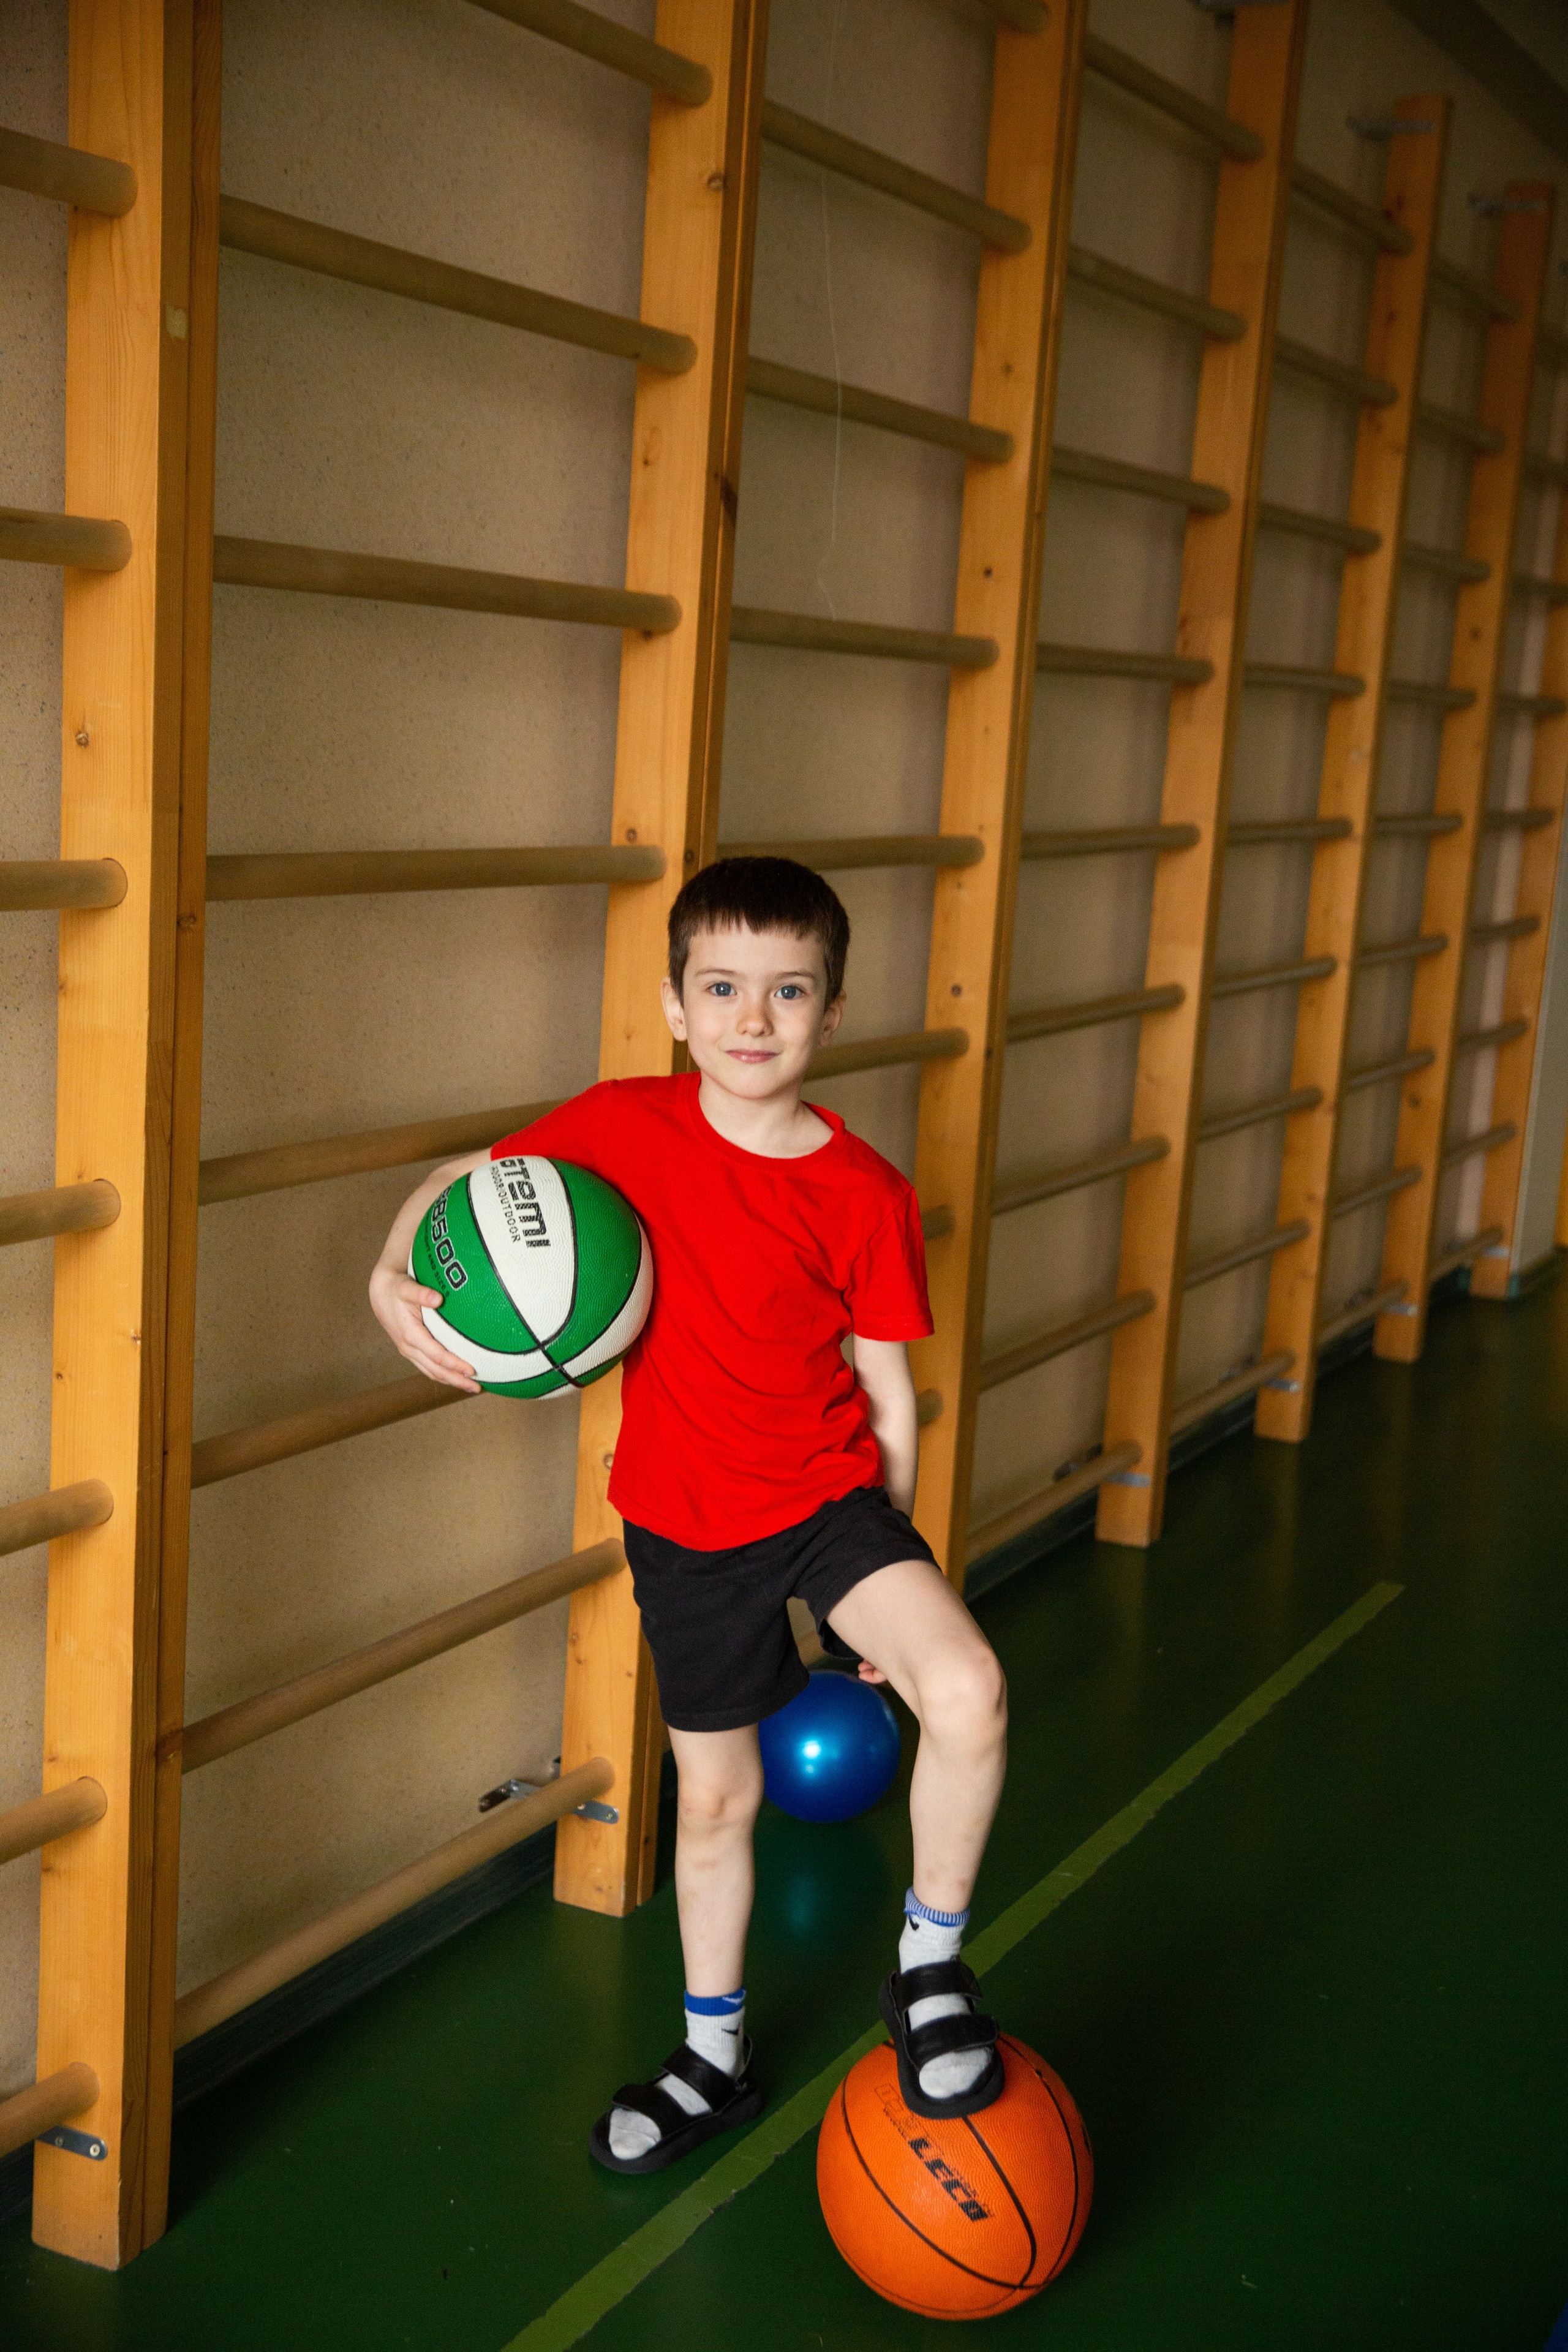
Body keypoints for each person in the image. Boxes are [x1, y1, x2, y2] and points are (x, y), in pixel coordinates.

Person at [370, 857, 1009, 2174]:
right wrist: (391, 1271)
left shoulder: (867, 1192)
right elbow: (467, 1180)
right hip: (685, 1525)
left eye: (789, 990)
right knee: (714, 1805)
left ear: (832, 1010)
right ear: (674, 1004)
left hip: (832, 1500)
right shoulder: (619, 1125)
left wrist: (893, 1570)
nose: (752, 1018)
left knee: (968, 1689)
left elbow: (890, 1397)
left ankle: (929, 1969)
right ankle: (711, 2058)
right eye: (720, 988)